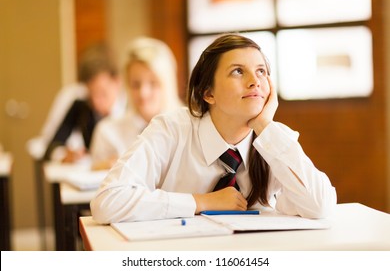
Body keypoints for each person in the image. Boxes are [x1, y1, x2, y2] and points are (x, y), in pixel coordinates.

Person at [90, 34, 337, 224]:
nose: (255, 81)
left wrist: (264, 125)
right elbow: (106, 202)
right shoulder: (171, 129)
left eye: (261, 71)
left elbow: (321, 207)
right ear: (208, 93)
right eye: (238, 71)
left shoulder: (274, 140)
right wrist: (199, 202)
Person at [89, 37, 183, 170]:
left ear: (168, 84)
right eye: (135, 84)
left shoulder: (189, 130)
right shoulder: (107, 132)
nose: (143, 93)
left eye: (153, 83)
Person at [43, 43, 127, 163]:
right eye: (91, 94)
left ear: (118, 82)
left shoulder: (133, 110)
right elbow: (52, 147)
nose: (96, 103)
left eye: (103, 94)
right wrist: (64, 155)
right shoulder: (82, 106)